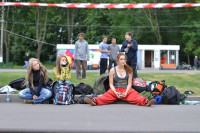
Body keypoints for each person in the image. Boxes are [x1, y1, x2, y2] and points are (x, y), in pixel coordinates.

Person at [85, 53, 155, 107]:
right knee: (105, 97)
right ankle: (94, 101)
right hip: (115, 89)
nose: (123, 61)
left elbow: (130, 83)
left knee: (136, 96)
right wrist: (115, 92)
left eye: (124, 59)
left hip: (126, 89)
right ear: (117, 60)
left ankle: (146, 102)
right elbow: (111, 84)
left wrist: (126, 92)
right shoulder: (112, 70)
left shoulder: (129, 70)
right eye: (121, 59)